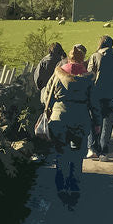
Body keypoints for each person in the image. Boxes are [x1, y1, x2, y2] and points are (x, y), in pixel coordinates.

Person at [42, 44, 100, 210]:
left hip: (59, 119)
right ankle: (74, 188)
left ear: (68, 58)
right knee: (77, 154)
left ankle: (60, 186)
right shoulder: (88, 78)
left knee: (61, 153)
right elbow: (94, 103)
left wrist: (48, 112)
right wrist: (97, 123)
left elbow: (47, 96)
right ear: (82, 60)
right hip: (80, 120)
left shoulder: (58, 74)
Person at [86, 35, 113, 161]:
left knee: (94, 121)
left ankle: (92, 148)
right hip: (111, 96)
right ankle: (104, 151)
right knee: (107, 124)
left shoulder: (94, 57)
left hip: (95, 95)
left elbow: (89, 76)